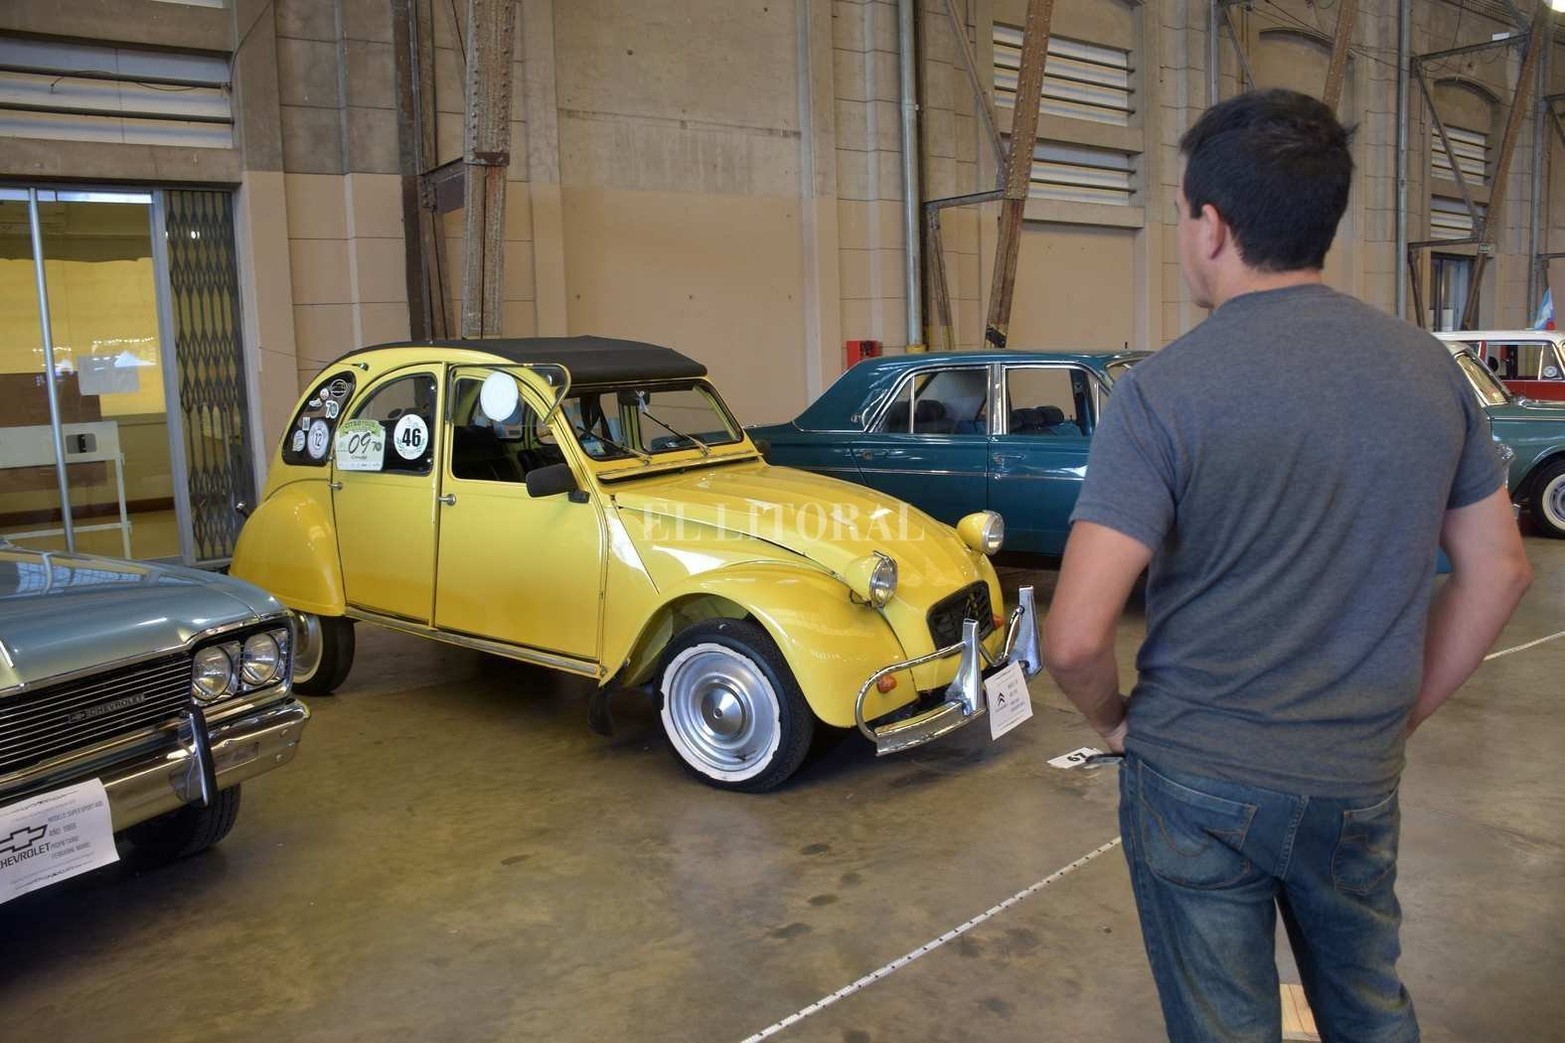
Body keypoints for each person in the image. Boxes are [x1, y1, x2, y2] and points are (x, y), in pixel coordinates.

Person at [1041, 89, 1532, 1043]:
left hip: (1193, 772)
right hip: (1352, 771)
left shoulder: (1159, 393)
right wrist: (1400, 709)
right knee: (1366, 1007)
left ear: (1212, 225)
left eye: (1183, 215)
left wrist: (1113, 725)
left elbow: (1072, 638)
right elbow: (1500, 570)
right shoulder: (1427, 371)